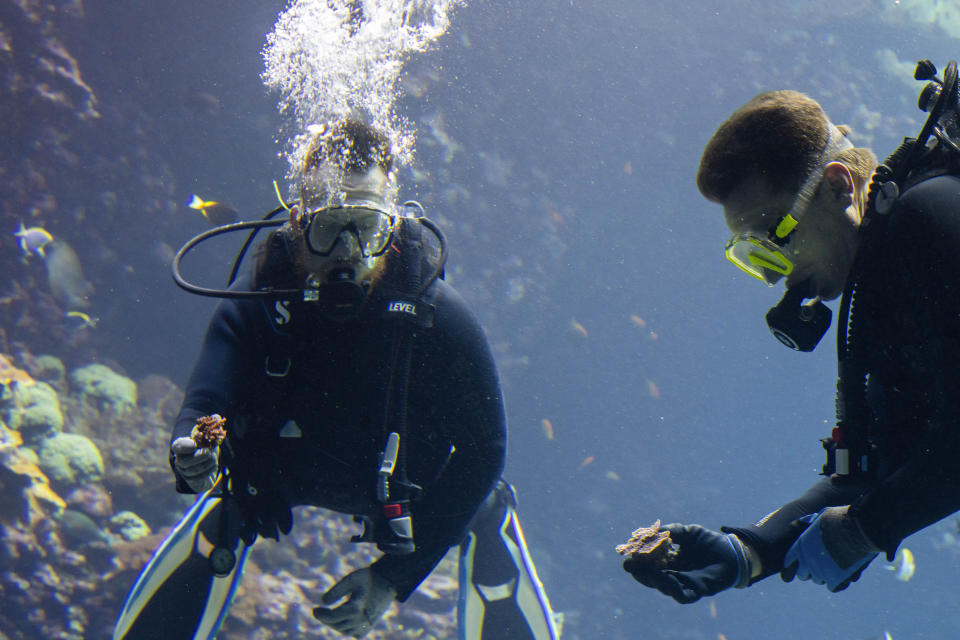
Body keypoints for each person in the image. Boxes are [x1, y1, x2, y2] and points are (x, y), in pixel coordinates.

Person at [113, 120, 559, 640]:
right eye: (328, 229)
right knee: (229, 486)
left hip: (405, 484)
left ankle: (487, 525)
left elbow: (486, 449)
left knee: (476, 498)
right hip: (283, 473)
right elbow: (210, 398)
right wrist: (191, 451)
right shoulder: (259, 301)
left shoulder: (435, 315)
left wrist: (393, 579)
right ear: (298, 223)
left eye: (366, 227)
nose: (347, 253)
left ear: (391, 227)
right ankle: (221, 528)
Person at [623, 72, 960, 603]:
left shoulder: (931, 216)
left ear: (835, 185)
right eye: (753, 256)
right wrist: (748, 552)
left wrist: (870, 527)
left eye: (774, 237)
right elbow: (872, 468)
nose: (778, 276)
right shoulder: (876, 291)